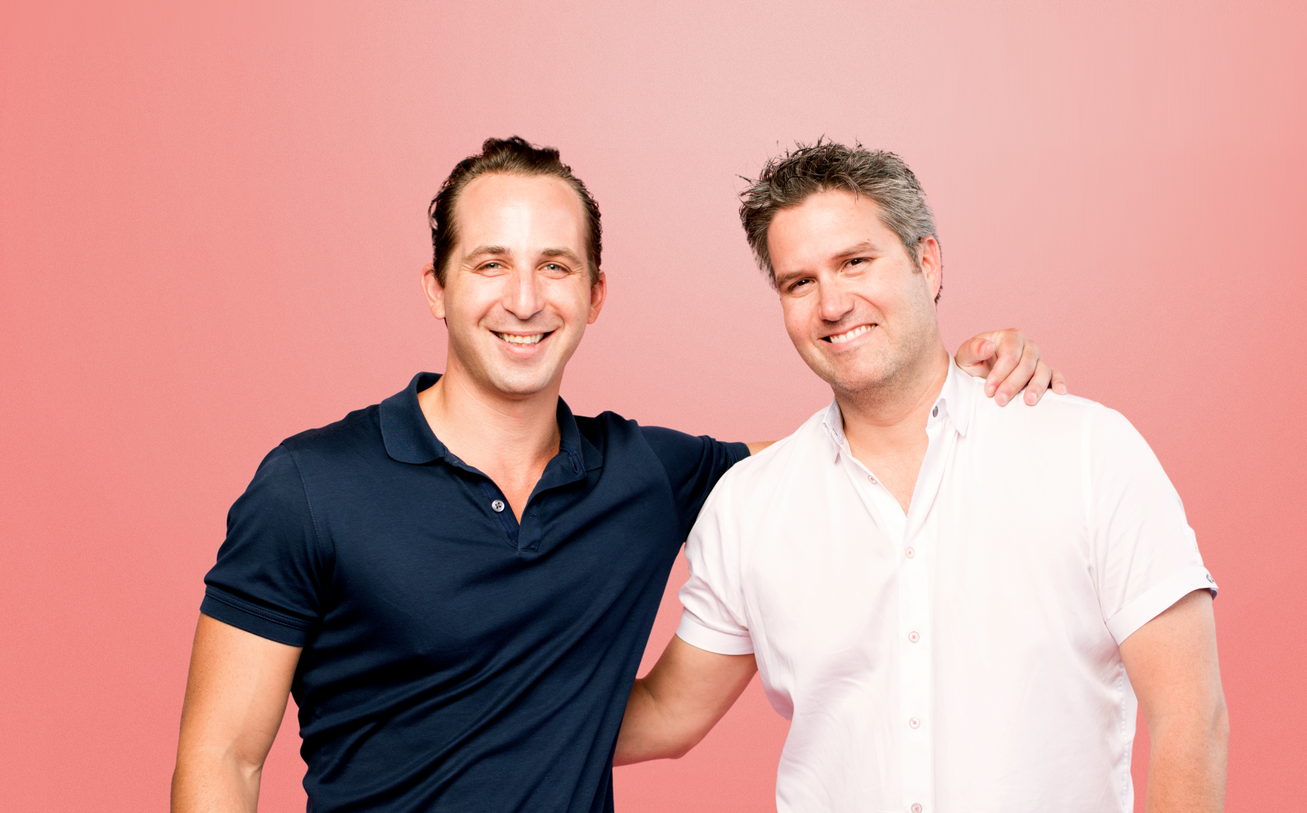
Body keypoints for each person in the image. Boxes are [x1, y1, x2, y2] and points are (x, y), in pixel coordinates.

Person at [170, 137, 1059, 813]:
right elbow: (222, 759)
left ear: (594, 293)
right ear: (436, 288)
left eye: (555, 266)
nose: (524, 299)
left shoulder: (647, 473)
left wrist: (967, 371)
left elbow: (842, 454)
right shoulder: (309, 484)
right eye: (490, 265)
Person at [617, 142, 1228, 813]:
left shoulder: (1085, 449)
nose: (831, 303)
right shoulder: (747, 504)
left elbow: (1188, 718)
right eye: (799, 282)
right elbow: (665, 714)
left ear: (926, 263)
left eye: (855, 261)